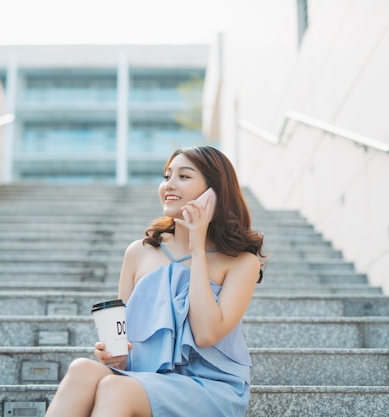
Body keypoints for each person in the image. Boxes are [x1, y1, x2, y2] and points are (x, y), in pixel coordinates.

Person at [45, 146, 265, 417]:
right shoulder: (139, 252)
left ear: (214, 192)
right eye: (166, 176)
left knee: (116, 388)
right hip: (143, 376)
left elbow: (207, 334)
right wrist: (117, 355)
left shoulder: (241, 261)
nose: (168, 185)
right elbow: (123, 338)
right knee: (82, 369)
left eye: (183, 177)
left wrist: (198, 245)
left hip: (210, 386)